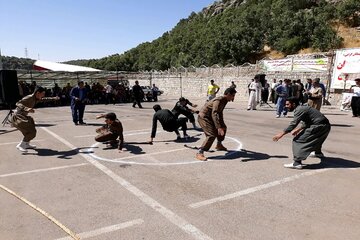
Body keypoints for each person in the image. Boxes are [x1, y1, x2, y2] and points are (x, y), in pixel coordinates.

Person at [272, 97, 331, 169]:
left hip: (319, 126)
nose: (286, 106)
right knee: (316, 138)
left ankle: (297, 163)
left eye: (287, 104)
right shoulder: (302, 108)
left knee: (298, 140)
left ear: (293, 104)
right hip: (325, 126)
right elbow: (308, 121)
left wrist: (281, 134)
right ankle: (318, 153)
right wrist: (299, 129)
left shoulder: (299, 110)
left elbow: (293, 124)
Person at [11, 86, 59, 152]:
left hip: (23, 116)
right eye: (43, 93)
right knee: (32, 132)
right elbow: (18, 103)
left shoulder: (36, 98)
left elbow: (44, 99)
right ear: (38, 93)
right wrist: (26, 108)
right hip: (18, 117)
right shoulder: (29, 97)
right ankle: (21, 145)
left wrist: (54, 98)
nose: (43, 95)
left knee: (31, 131)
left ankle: (26, 144)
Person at [196, 87, 237, 161]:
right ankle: (200, 152)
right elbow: (214, 113)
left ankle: (219, 144)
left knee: (224, 127)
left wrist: (222, 124)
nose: (233, 97)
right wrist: (218, 127)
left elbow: (220, 112)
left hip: (210, 117)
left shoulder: (225, 100)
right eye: (233, 95)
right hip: (204, 117)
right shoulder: (218, 100)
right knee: (211, 135)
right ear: (228, 94)